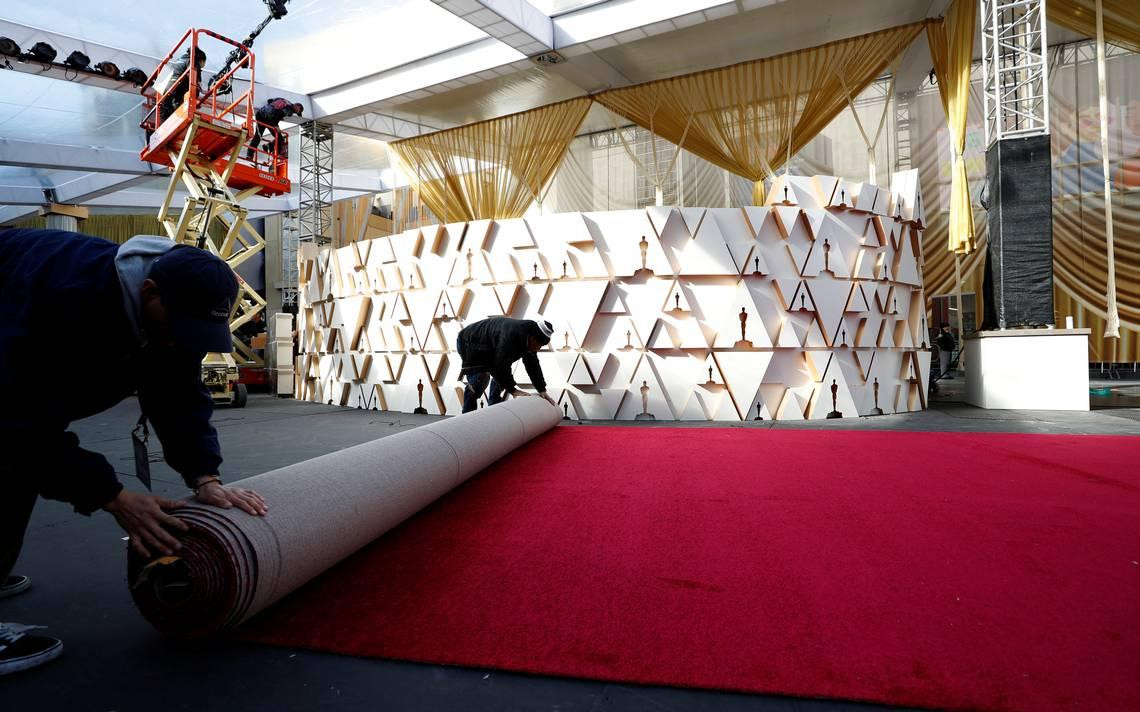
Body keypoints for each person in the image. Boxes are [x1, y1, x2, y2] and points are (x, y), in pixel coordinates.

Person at [0, 228, 268, 676]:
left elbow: (178, 392)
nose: (179, 341)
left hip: (23, 388)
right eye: (177, 329)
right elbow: (14, 424)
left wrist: (204, 475)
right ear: (148, 291)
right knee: (13, 462)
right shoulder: (66, 298)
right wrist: (112, 496)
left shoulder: (180, 309)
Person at [455, 317, 557, 413]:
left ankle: (493, 412)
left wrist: (541, 389)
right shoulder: (511, 335)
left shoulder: (529, 339)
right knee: (479, 380)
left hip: (489, 346)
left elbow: (532, 365)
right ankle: (468, 418)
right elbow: (500, 365)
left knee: (500, 378)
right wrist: (513, 389)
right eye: (539, 344)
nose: (539, 348)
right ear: (533, 338)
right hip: (469, 342)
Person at [157, 47, 206, 124]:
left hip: (163, 93)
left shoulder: (176, 61)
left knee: (165, 121)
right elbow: (195, 84)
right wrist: (194, 103)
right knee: (179, 119)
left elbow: (160, 81)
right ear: (202, 60)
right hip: (176, 91)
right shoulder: (194, 62)